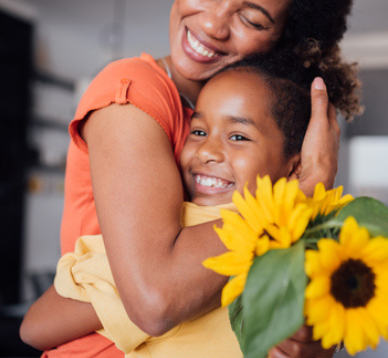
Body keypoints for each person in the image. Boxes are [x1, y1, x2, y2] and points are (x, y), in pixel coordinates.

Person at [20, 0, 369, 357]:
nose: (213, 24)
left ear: (285, 39)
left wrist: (310, 338)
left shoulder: (241, 141)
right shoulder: (133, 91)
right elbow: (156, 298)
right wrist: (298, 194)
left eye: (251, 18)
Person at [51, 56, 361, 358]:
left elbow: (36, 325)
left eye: (238, 136)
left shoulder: (184, 233)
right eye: (198, 131)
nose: (208, 152)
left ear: (294, 166)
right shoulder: (174, 223)